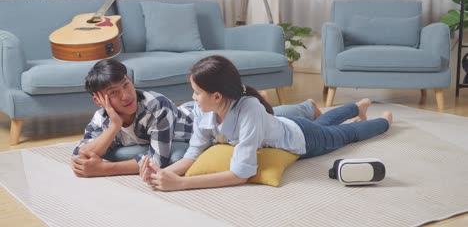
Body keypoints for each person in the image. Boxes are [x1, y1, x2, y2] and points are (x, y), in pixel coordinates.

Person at [140, 55, 392, 191]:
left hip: (303, 138)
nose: (192, 97)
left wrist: (182, 184)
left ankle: (382, 122)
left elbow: (241, 173)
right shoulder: (202, 109)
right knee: (326, 123)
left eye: (196, 92)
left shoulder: (249, 109)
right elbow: (194, 153)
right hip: (284, 123)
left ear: (216, 96)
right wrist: (163, 174)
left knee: (345, 134)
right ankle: (356, 107)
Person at [71, 59, 322, 177]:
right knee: (265, 116)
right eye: (114, 93)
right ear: (99, 100)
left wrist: (105, 169)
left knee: (271, 117)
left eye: (126, 85)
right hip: (196, 109)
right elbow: (81, 154)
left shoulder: (154, 105)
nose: (126, 95)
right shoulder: (103, 117)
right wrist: (114, 126)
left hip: (197, 120)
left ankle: (307, 107)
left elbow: (160, 159)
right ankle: (297, 107)